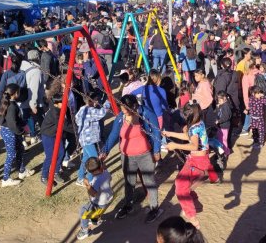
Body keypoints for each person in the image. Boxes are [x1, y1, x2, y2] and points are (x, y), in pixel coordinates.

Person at [162, 102, 219, 229]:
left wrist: (175, 145)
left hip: (197, 162)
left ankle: (192, 217)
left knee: (181, 187)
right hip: (198, 160)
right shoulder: (199, 123)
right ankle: (195, 205)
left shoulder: (193, 127)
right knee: (184, 185)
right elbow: (189, 137)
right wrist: (171, 134)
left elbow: (193, 145)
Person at [113, 95, 163, 223]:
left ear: (134, 106)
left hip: (144, 154)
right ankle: (128, 205)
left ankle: (154, 208)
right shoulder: (122, 116)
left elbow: (156, 131)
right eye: (121, 109)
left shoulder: (145, 113)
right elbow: (114, 133)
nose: (122, 111)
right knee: (129, 182)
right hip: (127, 156)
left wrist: (156, 149)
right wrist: (105, 151)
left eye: (125, 109)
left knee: (149, 181)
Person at [0, 84, 34, 186]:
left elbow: (16, 119)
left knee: (20, 149)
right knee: (11, 154)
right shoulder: (12, 106)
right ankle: (5, 179)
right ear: (16, 93)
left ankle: (22, 171)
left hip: (12, 131)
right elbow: (12, 123)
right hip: (10, 132)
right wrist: (21, 132)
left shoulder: (8, 103)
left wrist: (23, 125)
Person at [76, 157, 114, 240]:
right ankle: (94, 219)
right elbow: (110, 178)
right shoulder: (106, 172)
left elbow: (93, 194)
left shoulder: (96, 180)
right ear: (101, 166)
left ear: (90, 172)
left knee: (83, 211)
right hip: (108, 199)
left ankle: (85, 230)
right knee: (93, 212)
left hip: (99, 203)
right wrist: (105, 167)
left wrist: (87, 185)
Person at [40, 93, 73, 185]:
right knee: (50, 156)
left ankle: (55, 172)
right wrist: (76, 130)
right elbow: (64, 125)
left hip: (57, 135)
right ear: (56, 104)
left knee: (61, 153)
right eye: (63, 102)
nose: (65, 103)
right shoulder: (55, 112)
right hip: (48, 136)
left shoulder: (61, 109)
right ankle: (44, 176)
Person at [75, 92, 108, 185]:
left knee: (86, 158)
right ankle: (90, 179)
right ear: (91, 101)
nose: (98, 101)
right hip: (88, 140)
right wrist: (108, 103)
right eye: (96, 99)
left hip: (85, 139)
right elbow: (101, 113)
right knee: (94, 159)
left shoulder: (82, 109)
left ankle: (80, 177)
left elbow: (77, 120)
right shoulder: (90, 110)